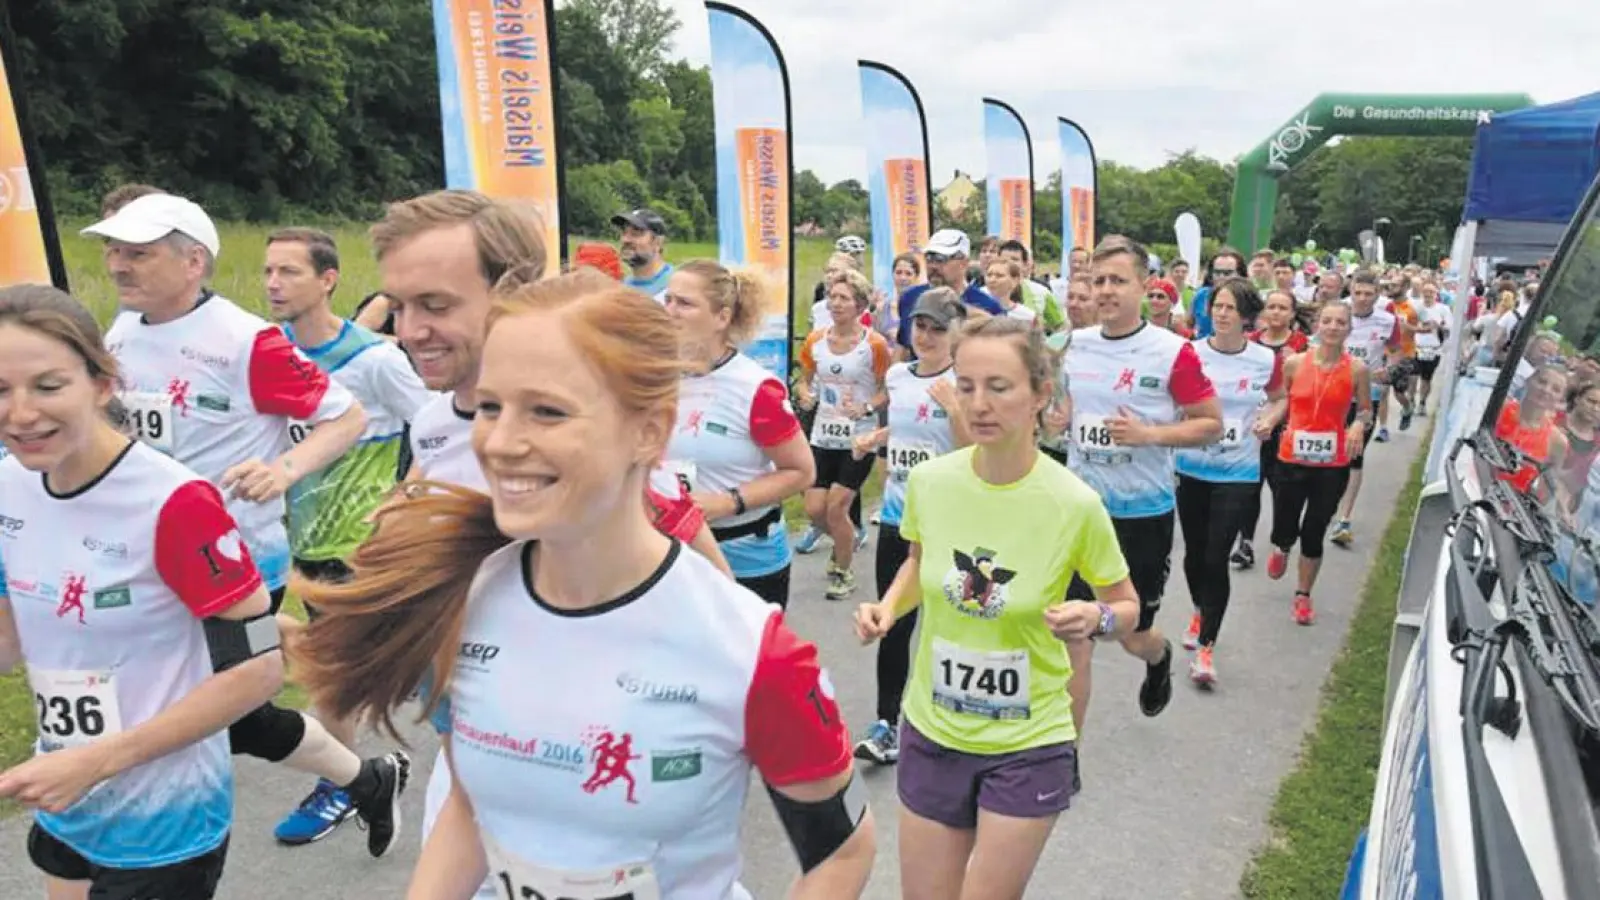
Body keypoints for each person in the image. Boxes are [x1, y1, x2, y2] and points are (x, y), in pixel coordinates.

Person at [294, 272, 877, 899]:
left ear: (650, 431)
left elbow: (841, 852)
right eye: (490, 406)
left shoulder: (748, 648)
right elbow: (470, 804)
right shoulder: (463, 600)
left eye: (547, 410)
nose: (502, 442)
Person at [83, 192, 410, 855]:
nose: (119, 265)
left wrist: (285, 471)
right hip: (146, 553)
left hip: (235, 558)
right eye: (114, 251)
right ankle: (366, 779)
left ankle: (166, 843)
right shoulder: (121, 331)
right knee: (204, 710)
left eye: (138, 253)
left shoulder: (244, 340)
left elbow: (344, 416)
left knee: (218, 715)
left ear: (192, 261)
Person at [0, 284, 284, 900]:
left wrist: (99, 760)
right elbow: (9, 638)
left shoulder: (175, 503)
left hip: (166, 818)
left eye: (48, 386)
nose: (20, 414)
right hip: (64, 792)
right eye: (0, 390)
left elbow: (262, 666)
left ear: (103, 384)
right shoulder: (8, 486)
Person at [854, 315, 1139, 900]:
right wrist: (887, 606)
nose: (978, 404)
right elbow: (919, 563)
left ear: (1040, 395)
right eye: (966, 386)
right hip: (933, 728)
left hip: (1028, 740)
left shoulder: (1074, 503)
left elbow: (1125, 604)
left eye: (999, 387)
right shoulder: (932, 482)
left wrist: (1098, 619)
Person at [262, 227, 437, 845]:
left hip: (362, 544)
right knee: (319, 656)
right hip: (296, 542)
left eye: (289, 272)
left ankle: (347, 783)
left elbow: (438, 429)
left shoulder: (376, 359)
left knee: (333, 675)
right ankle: (375, 759)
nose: (273, 284)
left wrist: (407, 496)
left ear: (327, 279)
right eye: (268, 272)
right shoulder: (266, 354)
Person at [1062, 236, 1222, 718]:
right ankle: (1063, 753)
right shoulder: (1075, 345)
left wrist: (1148, 434)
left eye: (1118, 280)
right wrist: (1056, 417)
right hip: (1080, 511)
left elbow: (1210, 424)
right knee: (1075, 634)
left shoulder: (1174, 352)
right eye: (1098, 280)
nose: (1106, 290)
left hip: (1143, 514)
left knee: (1130, 635)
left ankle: (1160, 657)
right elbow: (1066, 407)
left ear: (1144, 286)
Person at [848, 288, 971, 765]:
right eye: (921, 325)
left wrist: (955, 408)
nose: (926, 335)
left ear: (956, 333)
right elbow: (905, 431)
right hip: (899, 518)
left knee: (951, 623)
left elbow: (973, 452)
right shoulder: (899, 376)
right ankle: (887, 724)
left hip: (948, 524)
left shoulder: (963, 382)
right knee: (893, 621)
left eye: (938, 328)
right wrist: (875, 439)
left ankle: (951, 718)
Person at [660, 260, 815, 607]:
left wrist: (728, 502)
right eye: (667, 300)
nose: (670, 311)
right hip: (670, 556)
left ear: (722, 317)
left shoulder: (755, 388)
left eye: (684, 303)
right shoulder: (655, 376)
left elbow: (802, 472)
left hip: (745, 558)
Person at [1173, 280, 1284, 686]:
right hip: (1192, 465)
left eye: (1230, 309)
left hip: (1238, 471)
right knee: (1193, 556)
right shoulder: (1190, 353)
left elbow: (1279, 397)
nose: (1221, 314)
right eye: (1217, 306)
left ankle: (1206, 648)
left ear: (1246, 316)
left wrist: (1270, 418)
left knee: (1216, 555)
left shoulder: (1262, 359)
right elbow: (1173, 398)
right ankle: (1200, 607)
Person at [1267, 302, 1372, 625]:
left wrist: (1357, 424)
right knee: (1286, 523)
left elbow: (1366, 410)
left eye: (1340, 322)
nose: (1332, 327)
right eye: (1326, 321)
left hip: (1331, 463)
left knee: (1314, 529)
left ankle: (1303, 595)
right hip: (1291, 457)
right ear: (1317, 325)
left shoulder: (1357, 369)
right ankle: (1282, 545)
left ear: (1348, 329)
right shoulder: (1294, 364)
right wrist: (1270, 421)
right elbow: (1281, 401)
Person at [796, 269, 893, 601]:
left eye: (843, 298)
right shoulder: (815, 341)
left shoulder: (874, 345)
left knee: (837, 507)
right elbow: (804, 380)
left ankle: (844, 571)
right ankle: (845, 540)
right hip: (823, 432)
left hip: (858, 438)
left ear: (860, 305)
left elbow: (886, 392)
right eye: (831, 296)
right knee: (813, 508)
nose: (835, 303)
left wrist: (866, 408)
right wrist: (805, 394)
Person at [1233, 288, 1308, 570]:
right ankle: (1246, 543)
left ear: (1292, 314)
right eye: (1271, 306)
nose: (1276, 312)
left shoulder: (1302, 345)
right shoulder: (1249, 342)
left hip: (1287, 427)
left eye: (1282, 308)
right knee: (1250, 486)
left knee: (1282, 489)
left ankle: (1281, 542)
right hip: (1252, 425)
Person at [1329, 272, 1400, 549]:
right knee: (1331, 452)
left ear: (1377, 294)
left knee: (1353, 455)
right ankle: (1325, 504)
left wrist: (1389, 369)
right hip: (1332, 392)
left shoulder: (1388, 320)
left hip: (1365, 395)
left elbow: (1396, 350)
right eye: (1358, 292)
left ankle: (1344, 519)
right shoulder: (1338, 312)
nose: (1361, 299)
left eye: (1368, 294)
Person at [613, 208, 674, 299]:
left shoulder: (676, 287)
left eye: (636, 233)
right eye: (624, 233)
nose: (625, 240)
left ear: (658, 242)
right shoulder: (621, 287)